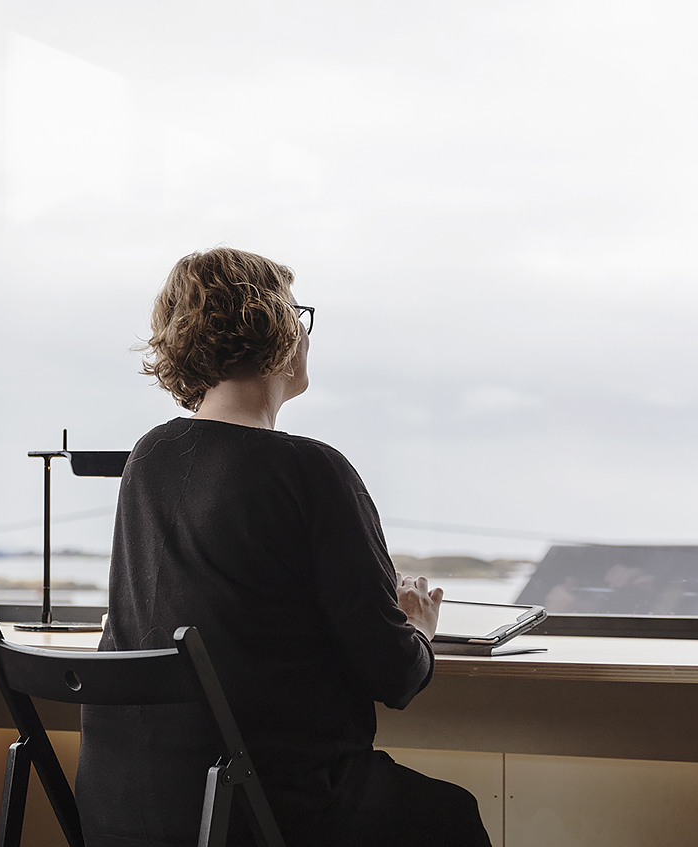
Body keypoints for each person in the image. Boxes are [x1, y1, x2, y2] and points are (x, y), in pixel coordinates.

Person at [75, 247, 491, 847]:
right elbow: (395, 675)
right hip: (267, 808)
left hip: (136, 809)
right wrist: (418, 629)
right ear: (273, 327)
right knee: (450, 817)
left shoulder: (150, 459)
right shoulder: (311, 470)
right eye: (297, 314)